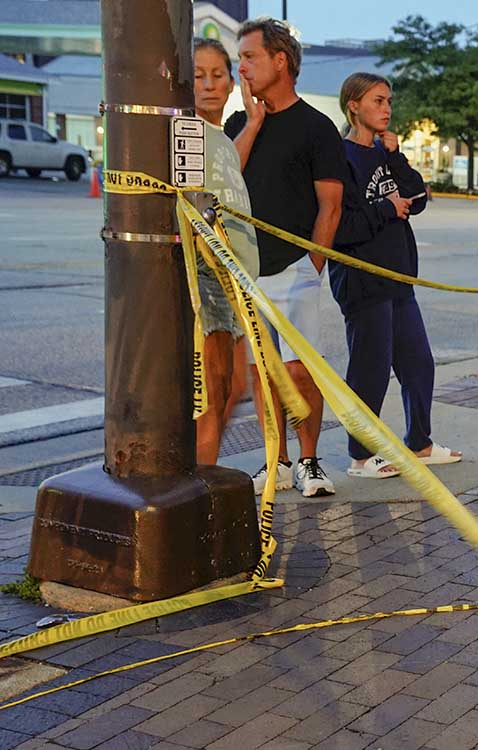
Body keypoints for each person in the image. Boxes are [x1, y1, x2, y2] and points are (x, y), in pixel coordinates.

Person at [225, 18, 345, 497]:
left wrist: (312, 267)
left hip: (296, 268)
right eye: (240, 59)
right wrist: (253, 122)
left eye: (250, 57)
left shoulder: (317, 127)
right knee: (262, 372)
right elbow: (226, 179)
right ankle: (274, 460)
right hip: (247, 271)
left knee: (299, 371)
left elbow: (331, 205)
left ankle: (309, 461)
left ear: (281, 60)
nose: (242, 67)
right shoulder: (240, 123)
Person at [333, 72, 462, 477]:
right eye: (377, 101)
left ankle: (419, 443)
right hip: (363, 278)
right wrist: (387, 209)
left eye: (389, 101)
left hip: (399, 276)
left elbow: (419, 198)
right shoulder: (341, 157)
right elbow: (340, 227)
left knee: (419, 363)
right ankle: (360, 456)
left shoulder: (384, 153)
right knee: (369, 371)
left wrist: (396, 156)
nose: (387, 109)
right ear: (353, 105)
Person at [192, 38, 260, 464]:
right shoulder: (185, 130)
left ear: (232, 82)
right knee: (213, 393)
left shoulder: (217, 136)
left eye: (218, 74)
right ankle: (199, 494)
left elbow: (224, 171)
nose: (209, 84)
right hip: (205, 275)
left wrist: (252, 123)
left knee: (235, 386)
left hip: (232, 279)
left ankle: (205, 480)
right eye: (198, 76)